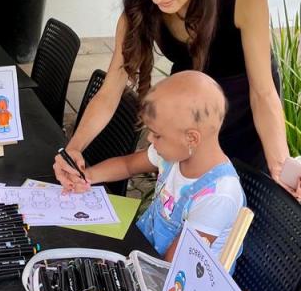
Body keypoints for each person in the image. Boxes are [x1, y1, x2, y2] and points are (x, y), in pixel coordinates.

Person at [55, 0, 299, 196]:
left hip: (245, 120)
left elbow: (263, 93)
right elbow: (110, 92)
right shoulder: (140, 6)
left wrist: (280, 166)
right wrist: (74, 149)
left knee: (241, 204)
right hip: (187, 122)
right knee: (183, 204)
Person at [68, 71, 245, 263]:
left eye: (157, 135)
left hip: (172, 272)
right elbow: (128, 165)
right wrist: (87, 176)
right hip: (146, 251)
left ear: (191, 138)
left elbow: (175, 264)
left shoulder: (218, 195)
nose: (150, 139)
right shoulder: (175, 154)